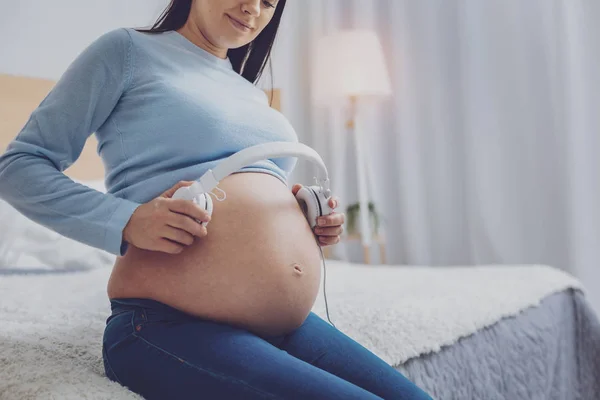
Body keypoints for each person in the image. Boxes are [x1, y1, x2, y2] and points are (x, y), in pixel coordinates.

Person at [0, 1, 433, 399]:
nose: (254, 9)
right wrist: (128, 219)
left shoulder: (251, 95)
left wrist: (302, 216)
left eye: (269, 2)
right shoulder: (125, 52)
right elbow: (19, 166)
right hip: (166, 324)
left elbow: (246, 192)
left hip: (280, 326)